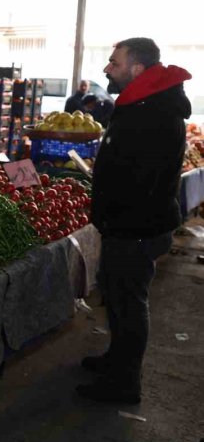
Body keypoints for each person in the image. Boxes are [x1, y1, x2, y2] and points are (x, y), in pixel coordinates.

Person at [77, 37, 191, 404]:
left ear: (137, 69)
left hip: (137, 227)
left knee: (129, 303)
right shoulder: (142, 103)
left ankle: (125, 384)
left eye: (113, 63)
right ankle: (117, 360)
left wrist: (115, 217)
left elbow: (143, 177)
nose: (107, 69)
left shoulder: (155, 112)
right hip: (127, 224)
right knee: (119, 298)